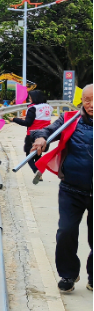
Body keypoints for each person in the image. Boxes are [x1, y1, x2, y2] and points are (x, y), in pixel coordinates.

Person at [30, 84, 92, 293]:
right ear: (81, 101)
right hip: (71, 189)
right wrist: (40, 138)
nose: (91, 104)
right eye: (87, 100)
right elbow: (47, 130)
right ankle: (68, 274)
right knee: (66, 232)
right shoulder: (69, 120)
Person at [11, 89, 53, 173]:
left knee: (29, 154)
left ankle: (36, 170)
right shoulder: (48, 107)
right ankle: (39, 170)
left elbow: (28, 123)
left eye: (30, 98)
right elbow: (39, 118)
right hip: (44, 135)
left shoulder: (33, 108)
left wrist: (14, 119)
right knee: (38, 153)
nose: (30, 100)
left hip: (32, 135)